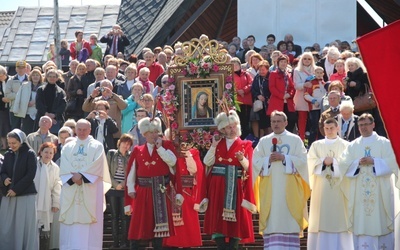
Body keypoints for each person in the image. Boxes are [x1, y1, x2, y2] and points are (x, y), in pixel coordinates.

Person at [340, 113, 399, 250]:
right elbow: (343, 165)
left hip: (380, 192)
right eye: (360, 125)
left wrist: (375, 162)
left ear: (373, 124)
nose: (363, 128)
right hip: (359, 193)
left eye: (366, 124)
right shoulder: (353, 145)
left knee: (381, 220)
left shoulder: (384, 143)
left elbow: (393, 164)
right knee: (362, 222)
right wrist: (357, 163)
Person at [253, 110, 310, 249]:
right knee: (272, 219)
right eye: (273, 121)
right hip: (270, 190)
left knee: (289, 220)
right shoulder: (264, 141)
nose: (276, 124)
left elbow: (303, 161)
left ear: (286, 122)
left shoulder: (295, 140)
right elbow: (255, 162)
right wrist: (267, 160)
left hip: (290, 189)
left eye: (279, 121)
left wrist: (285, 158)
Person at [203, 110, 256, 250]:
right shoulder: (218, 144)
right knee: (218, 220)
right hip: (218, 186)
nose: (231, 129)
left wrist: (241, 159)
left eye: (233, 126)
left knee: (236, 222)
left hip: (236, 186)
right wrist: (213, 145)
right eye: (228, 127)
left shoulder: (246, 144)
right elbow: (207, 162)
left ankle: (233, 246)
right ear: (222, 129)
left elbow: (249, 166)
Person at [125, 117, 178, 250]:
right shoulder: (138, 150)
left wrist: (160, 149)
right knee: (139, 224)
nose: (154, 135)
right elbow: (131, 171)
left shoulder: (166, 147)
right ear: (144, 134)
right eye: (150, 132)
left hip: (160, 190)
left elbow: (172, 162)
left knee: (158, 226)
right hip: (143, 191)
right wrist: (131, 188)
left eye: (156, 132)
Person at [59, 119, 111, 250]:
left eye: (84, 129)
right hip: (71, 189)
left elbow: (98, 165)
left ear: (90, 130)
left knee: (89, 227)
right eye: (79, 129)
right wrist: (73, 178)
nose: (81, 132)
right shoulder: (68, 146)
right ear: (75, 130)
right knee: (71, 224)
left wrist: (81, 176)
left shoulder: (97, 146)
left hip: (90, 189)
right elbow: (64, 165)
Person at [307, 118, 353, 250]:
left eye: (332, 128)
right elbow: (309, 163)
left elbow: (349, 165)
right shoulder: (316, 145)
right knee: (321, 219)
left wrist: (334, 161)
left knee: (341, 220)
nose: (329, 131)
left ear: (337, 128)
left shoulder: (346, 145)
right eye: (326, 129)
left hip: (340, 190)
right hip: (321, 190)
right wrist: (322, 161)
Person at [163, 139, 206, 249]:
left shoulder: (194, 152)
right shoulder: (171, 152)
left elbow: (196, 170)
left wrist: (188, 155)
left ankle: (188, 244)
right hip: (174, 190)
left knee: (188, 222)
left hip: (188, 192)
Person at [0, 129, 39, 249]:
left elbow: (30, 175)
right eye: (9, 143)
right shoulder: (8, 154)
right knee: (7, 225)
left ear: (21, 141)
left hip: (25, 195)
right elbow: (3, 171)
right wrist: (5, 179)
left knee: (24, 225)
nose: (11, 146)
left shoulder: (30, 154)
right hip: (8, 195)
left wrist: (16, 189)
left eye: (14, 143)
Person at [106, 134, 133, 248]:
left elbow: (132, 172)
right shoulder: (111, 154)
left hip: (125, 190)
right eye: (124, 143)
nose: (125, 146)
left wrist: (123, 184)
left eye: (128, 144)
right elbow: (106, 171)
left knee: (125, 216)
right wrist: (115, 184)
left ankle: (124, 242)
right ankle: (115, 242)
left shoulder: (131, 156)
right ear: (119, 142)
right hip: (112, 189)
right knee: (114, 216)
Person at [34, 142, 61, 250]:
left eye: (51, 153)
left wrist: (55, 203)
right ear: (40, 152)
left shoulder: (55, 168)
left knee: (45, 229)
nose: (48, 155)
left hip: (47, 203)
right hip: (34, 200)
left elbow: (56, 186)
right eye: (46, 152)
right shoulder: (33, 163)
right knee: (33, 228)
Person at [267, 55, 297, 133]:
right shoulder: (273, 74)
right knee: (278, 119)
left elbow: (292, 87)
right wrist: (281, 95)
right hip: (277, 101)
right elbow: (272, 87)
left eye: (285, 62)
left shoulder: (288, 74)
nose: (283, 63)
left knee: (291, 119)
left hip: (288, 101)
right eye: (281, 62)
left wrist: (289, 94)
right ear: (278, 63)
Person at [293, 52, 316, 141]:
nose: (307, 61)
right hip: (301, 98)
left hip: (314, 97)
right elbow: (296, 85)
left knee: (314, 121)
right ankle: (301, 140)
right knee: (302, 121)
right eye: (305, 59)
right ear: (301, 60)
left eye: (309, 59)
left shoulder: (316, 69)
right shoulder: (297, 70)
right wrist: (304, 85)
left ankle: (314, 141)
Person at [35, 69, 67, 134]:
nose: (52, 78)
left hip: (56, 119)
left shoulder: (61, 92)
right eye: (50, 76)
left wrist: (54, 115)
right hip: (41, 117)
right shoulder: (40, 90)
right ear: (46, 77)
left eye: (54, 76)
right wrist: (46, 114)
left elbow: (63, 105)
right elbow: (38, 103)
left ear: (57, 78)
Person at [12, 69, 43, 134]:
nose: (35, 77)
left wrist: (35, 101)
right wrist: (16, 110)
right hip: (27, 112)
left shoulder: (44, 86)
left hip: (39, 112)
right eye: (33, 75)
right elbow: (18, 97)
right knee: (26, 131)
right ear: (30, 77)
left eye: (37, 75)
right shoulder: (24, 85)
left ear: (40, 77)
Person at [303, 66, 326, 146]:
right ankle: (310, 144)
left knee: (322, 126)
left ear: (323, 74)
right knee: (314, 127)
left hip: (323, 108)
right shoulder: (311, 82)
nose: (319, 74)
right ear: (314, 73)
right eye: (317, 73)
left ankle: (321, 144)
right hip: (314, 108)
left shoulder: (324, 83)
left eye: (321, 73)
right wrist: (313, 101)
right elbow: (306, 95)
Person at [232, 57, 253, 139]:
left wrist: (244, 90)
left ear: (240, 65)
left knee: (246, 122)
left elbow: (251, 83)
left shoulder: (246, 74)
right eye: (233, 65)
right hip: (237, 102)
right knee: (238, 121)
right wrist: (237, 91)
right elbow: (229, 85)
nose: (235, 66)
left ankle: (246, 138)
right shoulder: (230, 75)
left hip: (246, 101)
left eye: (236, 64)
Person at [5, 60, 29, 129]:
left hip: (27, 108)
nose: (20, 69)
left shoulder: (29, 79)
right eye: (19, 67)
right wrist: (20, 95)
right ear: (16, 69)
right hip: (14, 108)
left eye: (22, 67)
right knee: (15, 128)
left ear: (26, 68)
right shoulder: (11, 80)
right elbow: (7, 95)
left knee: (26, 128)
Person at [250, 60, 271, 140]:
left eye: (263, 69)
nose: (261, 71)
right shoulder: (257, 77)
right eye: (260, 70)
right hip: (261, 104)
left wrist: (269, 97)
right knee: (262, 122)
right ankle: (262, 139)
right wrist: (258, 95)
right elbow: (253, 89)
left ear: (267, 69)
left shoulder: (271, 76)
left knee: (269, 122)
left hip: (269, 102)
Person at [0, 66, 10, 150]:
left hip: (11, 107)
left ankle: (10, 143)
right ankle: (4, 145)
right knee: (2, 126)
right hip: (2, 107)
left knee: (9, 125)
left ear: (4, 74)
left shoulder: (11, 80)